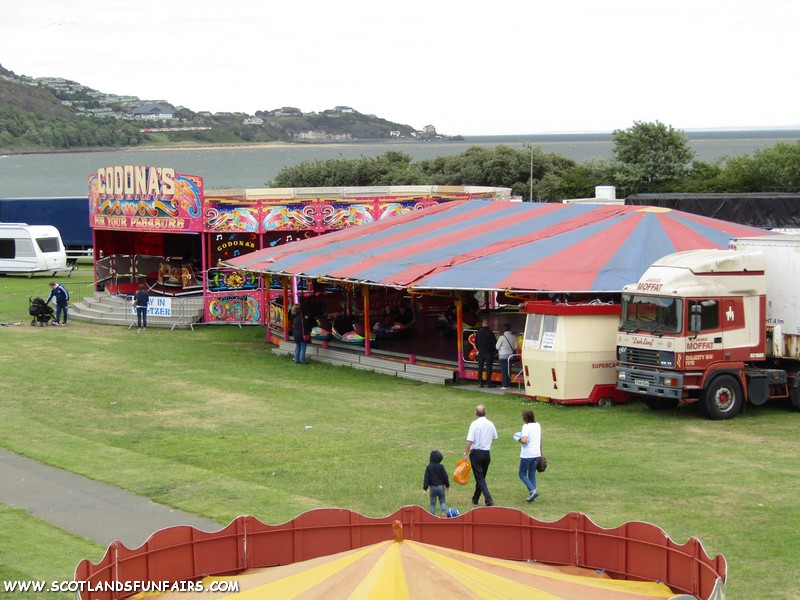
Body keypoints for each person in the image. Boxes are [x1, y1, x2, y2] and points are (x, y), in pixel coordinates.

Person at [463, 404, 498, 506]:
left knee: (480, 478)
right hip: (486, 453)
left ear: (476, 413)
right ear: (485, 412)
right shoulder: (490, 424)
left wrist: (466, 453)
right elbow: (495, 437)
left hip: (476, 453)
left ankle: (488, 499)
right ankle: (475, 498)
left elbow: (470, 440)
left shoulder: (474, 424)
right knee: (481, 477)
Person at [517, 409, 543, 502]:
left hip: (527, 454)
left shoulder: (526, 426)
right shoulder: (538, 425)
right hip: (536, 453)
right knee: (532, 473)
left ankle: (532, 491)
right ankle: (532, 495)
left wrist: (518, 438)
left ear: (526, 417)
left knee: (522, 474)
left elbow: (524, 440)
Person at [422, 449, 450, 516]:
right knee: (442, 501)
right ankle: (443, 513)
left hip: (432, 488)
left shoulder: (428, 467)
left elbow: (426, 478)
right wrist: (447, 485)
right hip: (441, 487)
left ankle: (432, 516)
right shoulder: (441, 467)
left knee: (432, 503)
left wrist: (425, 489)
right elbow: (445, 476)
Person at [496, 323, 519, 390]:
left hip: (502, 356)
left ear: (504, 329)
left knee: (504, 371)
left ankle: (504, 385)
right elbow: (515, 347)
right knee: (509, 371)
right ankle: (508, 384)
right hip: (510, 356)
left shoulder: (502, 337)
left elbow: (497, 347)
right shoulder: (513, 337)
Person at [475, 319, 496, 388]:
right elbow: (494, 344)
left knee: (480, 368)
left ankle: (480, 382)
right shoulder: (490, 333)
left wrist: (479, 349)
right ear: (488, 324)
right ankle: (488, 383)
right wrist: (493, 351)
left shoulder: (478, 332)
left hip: (481, 352)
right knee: (489, 368)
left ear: (482, 324)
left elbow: (476, 343)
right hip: (489, 352)